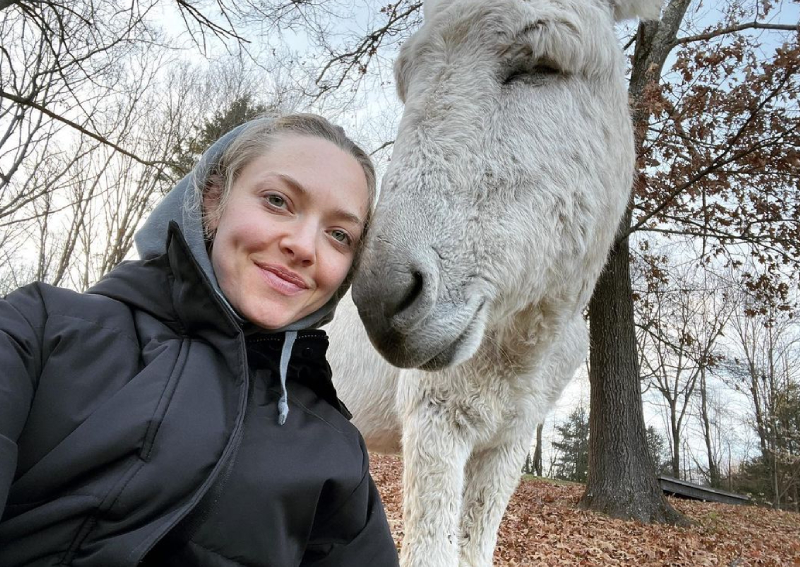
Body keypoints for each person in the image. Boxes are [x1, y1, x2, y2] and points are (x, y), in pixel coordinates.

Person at [0, 114, 400, 566]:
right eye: (277, 200)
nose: (306, 247)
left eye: (339, 235)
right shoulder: (39, 328)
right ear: (214, 198)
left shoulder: (339, 454)